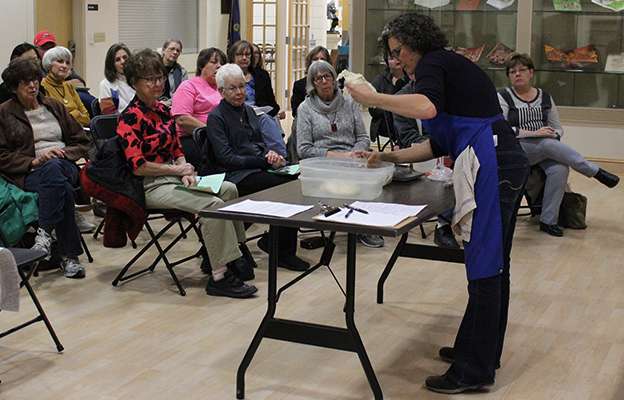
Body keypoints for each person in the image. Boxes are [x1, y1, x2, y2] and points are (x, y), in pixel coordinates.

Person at [347, 13, 530, 393]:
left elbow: (427, 109)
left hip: (493, 164)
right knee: (493, 265)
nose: (398, 61)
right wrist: (390, 158)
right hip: (499, 161)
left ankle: (474, 370)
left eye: (399, 53)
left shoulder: (434, 63)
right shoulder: (446, 67)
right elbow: (438, 142)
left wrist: (373, 98)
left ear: (413, 44)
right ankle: (478, 351)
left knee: (485, 264)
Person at [117, 49, 256, 298]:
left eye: (159, 77)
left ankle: (231, 252)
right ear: (134, 83)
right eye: (149, 79)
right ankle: (220, 276)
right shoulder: (129, 118)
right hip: (151, 185)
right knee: (213, 204)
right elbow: (138, 166)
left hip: (174, 176)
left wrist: (185, 168)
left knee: (229, 189)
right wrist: (177, 169)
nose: (157, 83)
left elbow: (176, 146)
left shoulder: (161, 109)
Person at [499, 53, 620, 237]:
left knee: (560, 168)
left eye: (522, 70)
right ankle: (595, 171)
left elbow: (557, 129)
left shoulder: (545, 96)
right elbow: (504, 128)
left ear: (531, 73)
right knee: (547, 145)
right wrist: (535, 133)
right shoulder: (503, 96)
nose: (517, 74)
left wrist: (551, 134)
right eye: (512, 71)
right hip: (518, 148)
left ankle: (548, 221)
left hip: (545, 147)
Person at [205, 63, 310, 272]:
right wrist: (262, 160)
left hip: (256, 168)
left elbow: (259, 144)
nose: (239, 93)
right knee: (286, 189)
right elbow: (226, 158)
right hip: (234, 175)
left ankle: (278, 244)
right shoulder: (216, 117)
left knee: (294, 181)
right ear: (221, 91)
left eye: (242, 87)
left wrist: (272, 156)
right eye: (233, 88)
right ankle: (281, 250)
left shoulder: (249, 111)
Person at [0, 58, 92, 278]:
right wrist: (33, 161)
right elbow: (1, 155)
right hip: (28, 172)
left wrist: (63, 154)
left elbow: (83, 141)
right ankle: (69, 257)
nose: (33, 86)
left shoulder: (54, 105)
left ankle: (44, 235)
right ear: (14, 88)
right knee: (63, 190)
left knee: (54, 168)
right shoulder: (3, 113)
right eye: (25, 83)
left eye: (35, 80)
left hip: (64, 164)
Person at [296, 60, 384, 249]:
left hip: (352, 157)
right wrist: (337, 156)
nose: (324, 81)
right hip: (322, 162)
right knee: (344, 179)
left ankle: (364, 226)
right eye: (318, 78)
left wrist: (357, 151)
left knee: (370, 177)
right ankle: (351, 224)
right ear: (313, 83)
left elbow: (362, 136)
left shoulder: (349, 102)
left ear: (334, 79)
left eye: (327, 76)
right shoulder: (305, 109)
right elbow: (303, 149)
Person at [228, 40, 287, 157]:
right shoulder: (227, 75)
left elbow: (272, 103)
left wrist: (268, 111)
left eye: (247, 55)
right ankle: (282, 155)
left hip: (260, 111)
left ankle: (279, 157)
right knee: (266, 120)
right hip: (237, 113)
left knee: (269, 117)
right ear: (233, 57)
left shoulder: (261, 75)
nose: (244, 58)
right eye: (240, 55)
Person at [171, 48, 226, 137]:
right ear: (201, 66)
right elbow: (182, 119)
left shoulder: (223, 87)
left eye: (222, 64)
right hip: (195, 138)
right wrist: (212, 131)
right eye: (213, 62)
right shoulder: (188, 86)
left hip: (221, 136)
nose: (219, 66)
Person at [41, 46, 90, 126]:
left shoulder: (69, 86)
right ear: (49, 64)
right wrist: (76, 114)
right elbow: (53, 120)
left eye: (67, 63)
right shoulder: (42, 86)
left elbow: (87, 118)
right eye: (60, 61)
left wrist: (67, 116)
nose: (64, 66)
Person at [368, 53, 409, 145]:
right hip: (385, 123)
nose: (396, 60)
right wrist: (390, 106)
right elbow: (372, 109)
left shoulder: (411, 78)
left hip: (408, 120)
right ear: (387, 62)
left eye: (398, 57)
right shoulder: (380, 80)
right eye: (392, 58)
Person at [291, 46, 331, 118]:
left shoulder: (333, 84)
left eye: (322, 59)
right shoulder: (299, 85)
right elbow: (295, 112)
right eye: (315, 59)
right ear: (310, 62)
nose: (319, 61)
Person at [98, 43, 135, 114]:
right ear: (112, 64)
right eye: (118, 60)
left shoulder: (137, 80)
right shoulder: (105, 85)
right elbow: (109, 116)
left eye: (125, 57)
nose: (123, 62)